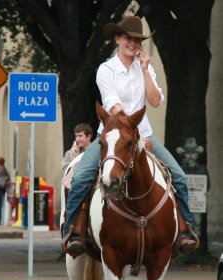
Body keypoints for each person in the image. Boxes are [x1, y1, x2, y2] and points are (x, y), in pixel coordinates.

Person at [62, 15, 197, 255]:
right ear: (117, 39)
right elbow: (115, 109)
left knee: (179, 177)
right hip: (111, 137)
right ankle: (73, 231)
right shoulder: (106, 70)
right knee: (81, 177)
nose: (133, 44)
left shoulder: (145, 69)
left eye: (137, 40)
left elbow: (154, 101)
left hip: (144, 135)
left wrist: (145, 71)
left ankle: (185, 231)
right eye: (128, 38)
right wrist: (132, 136)